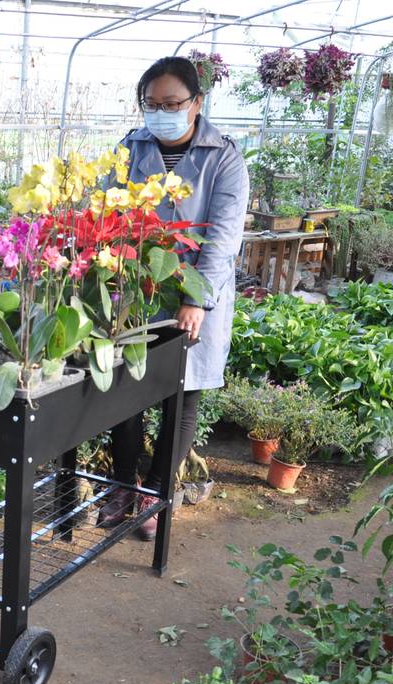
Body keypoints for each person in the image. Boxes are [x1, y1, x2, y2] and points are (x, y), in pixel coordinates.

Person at [97, 56, 249, 539]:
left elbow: (223, 239)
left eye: (171, 103)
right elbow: (108, 212)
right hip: (136, 293)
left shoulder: (223, 156)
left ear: (196, 102)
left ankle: (158, 493)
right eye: (151, 104)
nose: (160, 112)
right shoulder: (132, 147)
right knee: (125, 390)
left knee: (181, 395)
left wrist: (195, 301)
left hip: (193, 294)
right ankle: (122, 484)